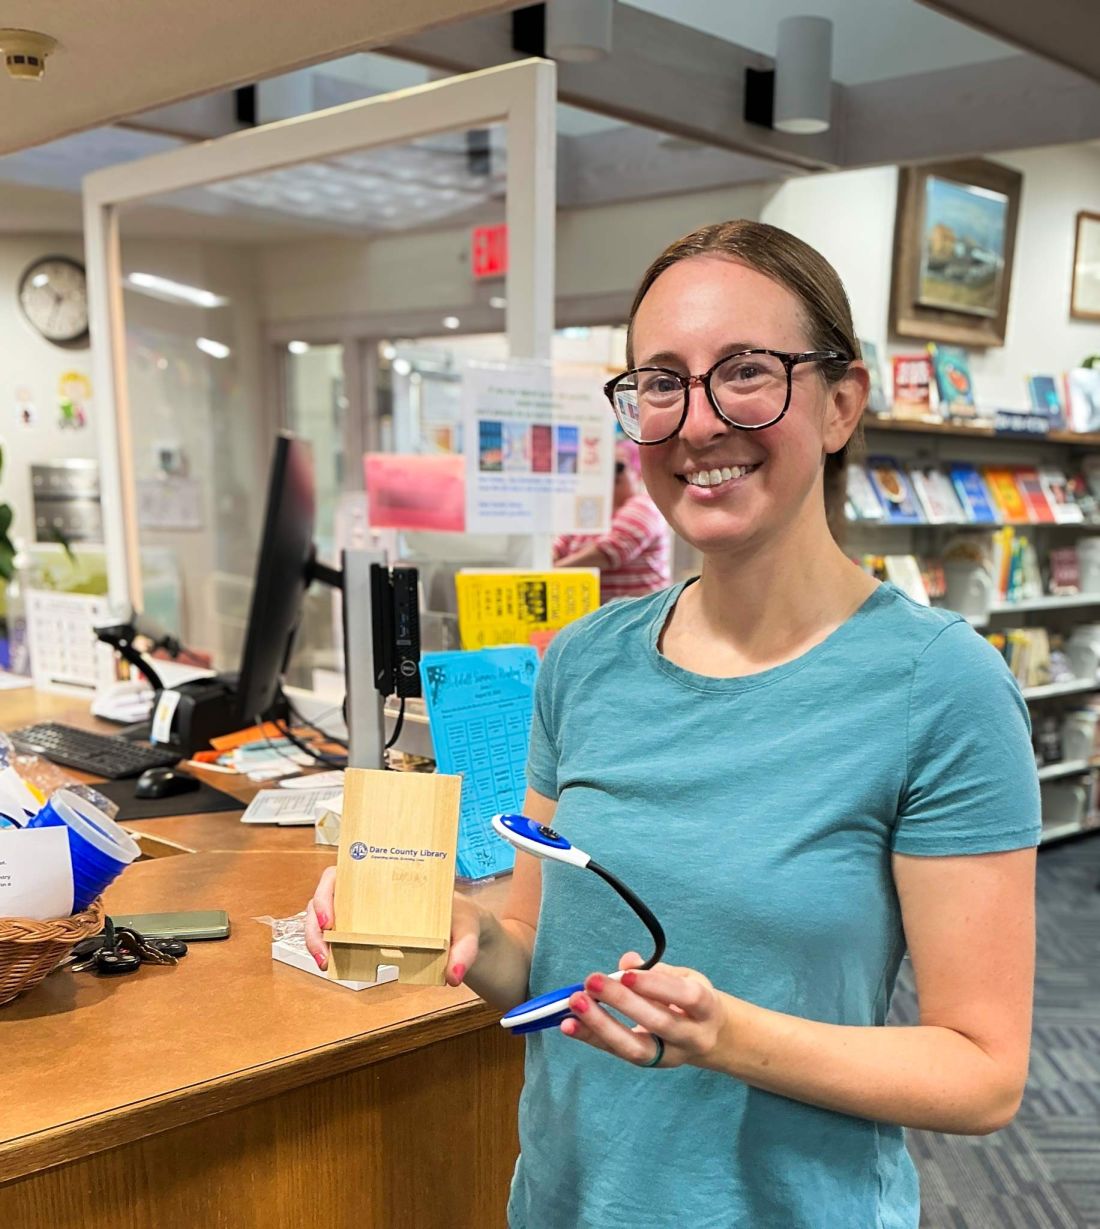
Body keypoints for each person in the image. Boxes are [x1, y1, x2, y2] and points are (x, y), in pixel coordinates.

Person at [306, 220, 1040, 1228]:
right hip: (564, 1202)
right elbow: (536, 950)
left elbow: (982, 1072)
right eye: (659, 382)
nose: (696, 422)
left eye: (745, 371)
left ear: (839, 402)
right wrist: (461, 931)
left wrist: (725, 1036)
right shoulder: (583, 661)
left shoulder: (940, 685)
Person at [553, 440, 671, 601]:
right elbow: (561, 543)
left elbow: (608, 552)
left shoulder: (644, 506)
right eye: (604, 467)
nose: (610, 474)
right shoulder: (593, 509)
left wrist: (552, 571)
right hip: (595, 611)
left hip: (637, 613)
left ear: (637, 472)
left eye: (618, 467)